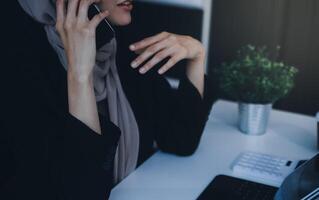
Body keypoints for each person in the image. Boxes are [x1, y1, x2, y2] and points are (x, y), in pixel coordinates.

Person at [0, 0, 218, 199]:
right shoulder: (15, 54)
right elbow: (81, 192)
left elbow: (180, 139)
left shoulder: (118, 33)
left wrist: (196, 55)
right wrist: (79, 75)